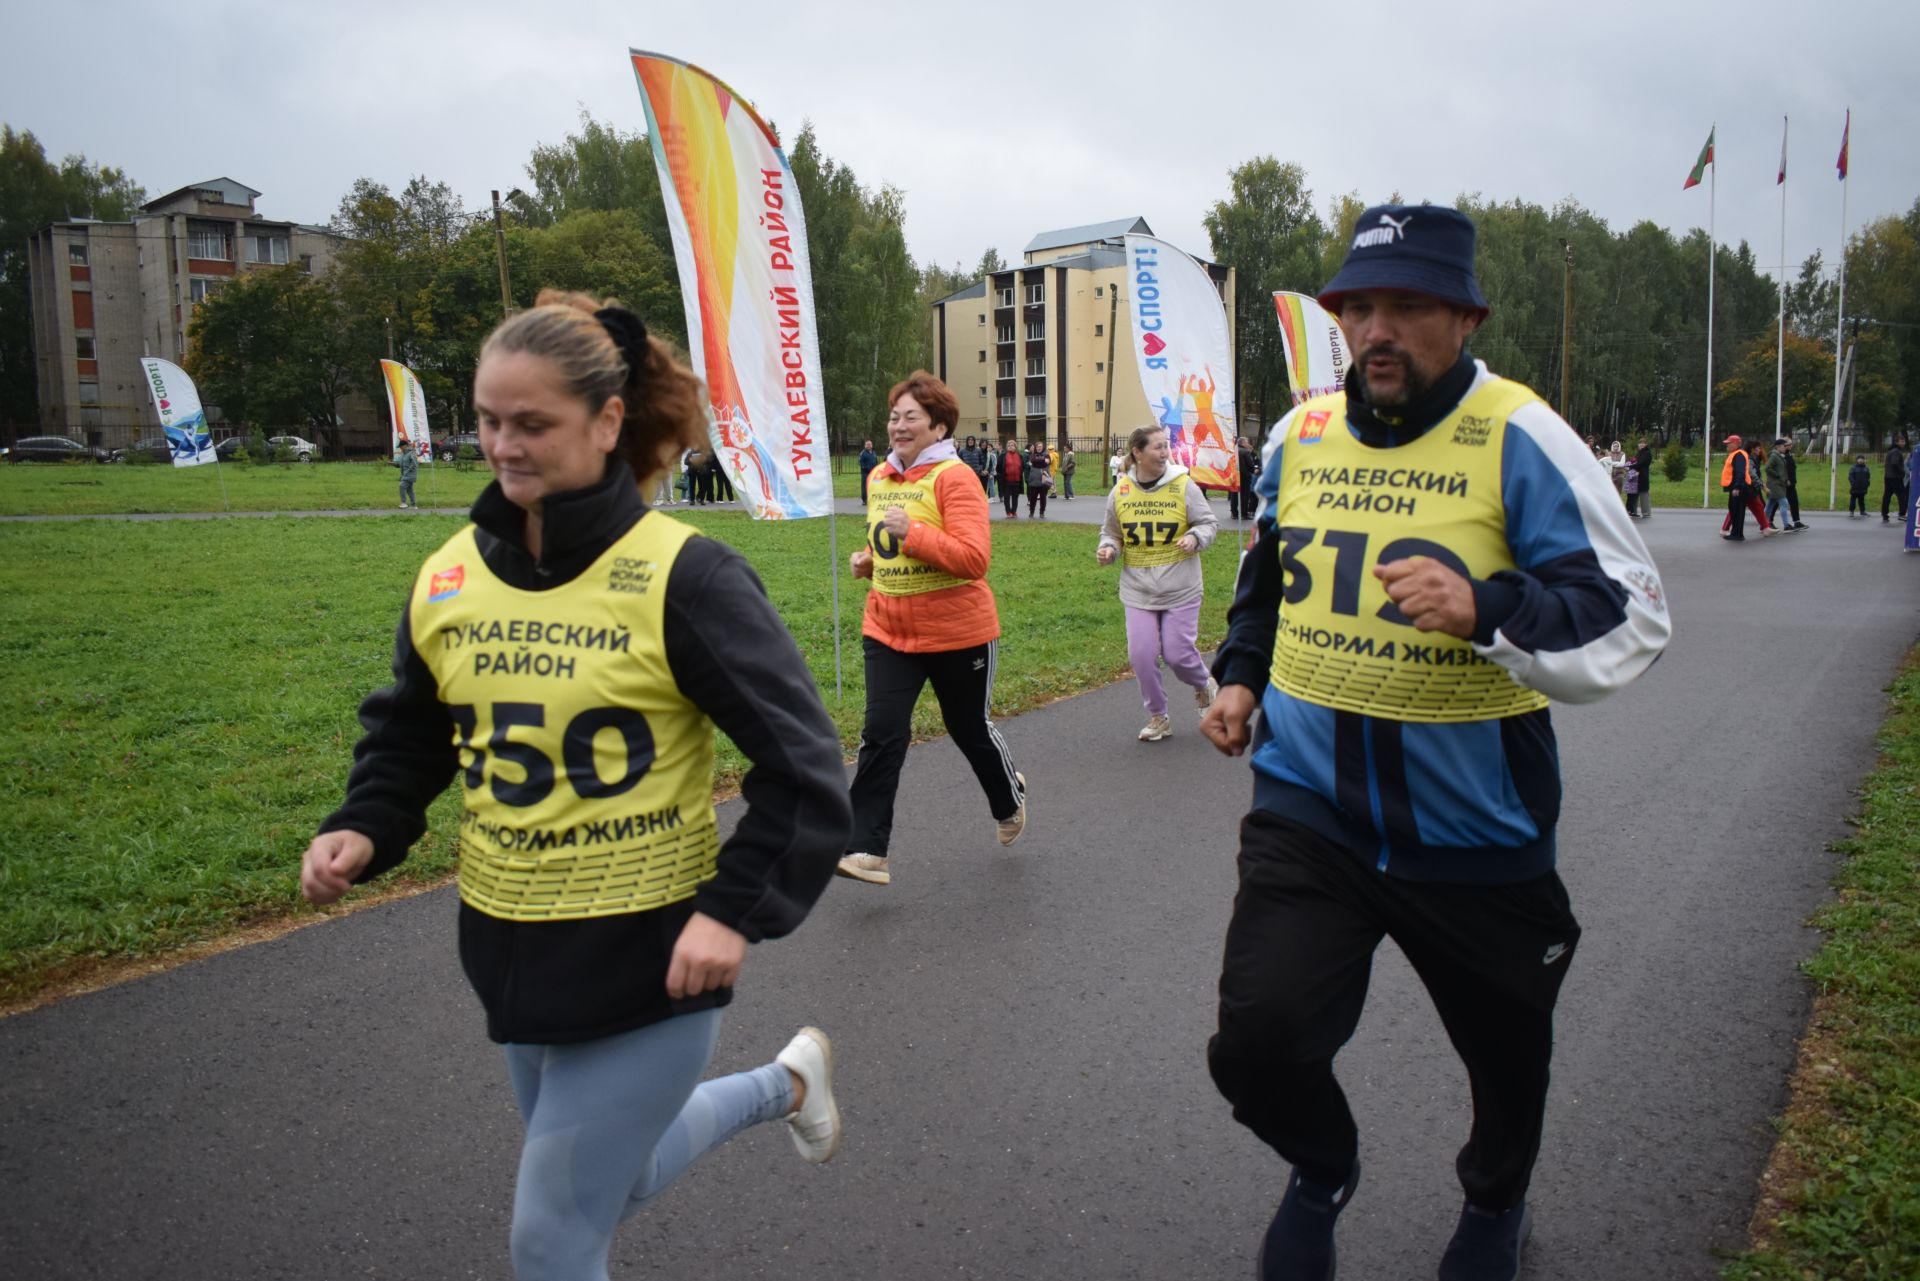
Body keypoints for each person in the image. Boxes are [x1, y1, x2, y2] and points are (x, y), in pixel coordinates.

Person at [300, 291, 853, 1281]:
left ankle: (776, 1078)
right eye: (488, 420)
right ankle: (787, 1085)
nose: (504, 447)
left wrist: (735, 912)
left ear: (607, 423)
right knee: (623, 1177)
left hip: (653, 959)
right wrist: (366, 825)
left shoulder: (689, 577)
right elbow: (415, 731)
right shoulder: (448, 575)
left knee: (554, 1239)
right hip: (509, 946)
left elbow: (804, 767)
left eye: (534, 424)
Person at [1198, 204, 1669, 1281]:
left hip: (1475, 829)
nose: (1377, 330)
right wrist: (1240, 676)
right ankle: (1322, 1166)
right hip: (1309, 811)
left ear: (1463, 318)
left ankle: (1495, 1205)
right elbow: (1269, 577)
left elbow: (1631, 610)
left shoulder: (1521, 433)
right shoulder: (1300, 436)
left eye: (1407, 307)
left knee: (1506, 1061)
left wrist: (1491, 610)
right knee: (1256, 1045)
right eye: (1357, 307)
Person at [838, 372, 1027, 886]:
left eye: (910, 418)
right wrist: (868, 563)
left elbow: (973, 558)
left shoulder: (955, 477)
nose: (898, 426)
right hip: (888, 628)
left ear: (938, 426)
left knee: (967, 729)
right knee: (881, 733)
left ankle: (1009, 798)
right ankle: (866, 850)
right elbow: (890, 547)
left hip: (957, 633)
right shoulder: (880, 476)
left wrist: (913, 532)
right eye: (894, 417)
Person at [1097, 425, 1219, 741]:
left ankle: (1203, 684)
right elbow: (1111, 531)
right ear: (1137, 452)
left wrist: (1194, 537)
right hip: (1138, 589)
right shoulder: (1121, 491)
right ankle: (1158, 716)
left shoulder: (1183, 486)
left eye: (1167, 447)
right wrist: (1109, 548)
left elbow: (1207, 522)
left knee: (1178, 655)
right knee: (1141, 655)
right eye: (1158, 447)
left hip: (1181, 587)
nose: (1165, 453)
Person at [1721, 434, 1756, 541]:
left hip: (1739, 488)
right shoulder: (1735, 454)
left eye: (1728, 443)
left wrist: (1737, 487)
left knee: (1737, 511)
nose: (1726, 445)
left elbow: (1740, 472)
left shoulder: (1739, 455)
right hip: (1737, 487)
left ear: (1735, 444)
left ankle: (1737, 534)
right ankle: (1736, 533)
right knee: (1734, 510)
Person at [1764, 440, 1798, 533]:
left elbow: (1782, 470)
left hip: (1779, 484)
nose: (1785, 447)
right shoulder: (1774, 456)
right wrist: (1778, 476)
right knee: (1784, 503)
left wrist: (1785, 479)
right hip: (1775, 485)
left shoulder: (1780, 456)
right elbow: (1767, 468)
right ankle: (1786, 526)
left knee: (1770, 504)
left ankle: (1763, 524)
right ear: (1777, 447)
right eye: (1783, 446)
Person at [1778, 436, 1807, 529]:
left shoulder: (1788, 454)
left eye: (1791, 444)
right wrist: (1787, 479)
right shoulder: (1782, 456)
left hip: (1791, 482)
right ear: (1784, 446)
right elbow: (1783, 469)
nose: (1791, 446)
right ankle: (1768, 521)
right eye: (1789, 444)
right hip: (1786, 483)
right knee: (1776, 503)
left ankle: (1797, 521)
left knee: (1794, 502)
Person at [1231, 435, 1261, 521]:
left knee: (1234, 494)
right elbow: (1250, 464)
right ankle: (1244, 513)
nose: (1247, 443)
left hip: (1234, 475)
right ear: (1243, 443)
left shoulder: (1233, 450)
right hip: (1244, 476)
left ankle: (1234, 513)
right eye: (1246, 442)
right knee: (1244, 495)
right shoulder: (1245, 452)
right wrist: (1254, 469)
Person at [1884, 434, 1911, 525]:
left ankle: (1885, 514)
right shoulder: (1897, 452)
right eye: (1902, 441)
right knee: (1902, 495)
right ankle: (1902, 514)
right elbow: (1894, 463)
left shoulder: (1891, 451)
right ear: (1897, 442)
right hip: (1895, 477)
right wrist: (1902, 472)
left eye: (1904, 441)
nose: (1904, 443)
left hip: (1888, 477)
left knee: (1887, 496)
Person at [1025, 441, 1053, 519]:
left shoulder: (1047, 455)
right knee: (1033, 498)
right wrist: (1043, 460)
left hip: (1044, 480)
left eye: (1040, 446)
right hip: (1034, 479)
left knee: (1043, 497)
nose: (1039, 448)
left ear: (1043, 447)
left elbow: (1048, 462)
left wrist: (1039, 460)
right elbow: (1033, 461)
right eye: (1037, 446)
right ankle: (1031, 512)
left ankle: (1042, 512)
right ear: (1035, 448)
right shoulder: (1032, 455)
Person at [1632, 438, 1654, 519]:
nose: (1641, 444)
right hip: (1636, 475)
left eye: (1643, 443)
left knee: (1644, 493)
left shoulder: (1647, 453)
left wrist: (1630, 466)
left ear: (1646, 444)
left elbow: (1641, 463)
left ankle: (1646, 512)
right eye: (1640, 443)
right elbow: (1635, 461)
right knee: (1634, 494)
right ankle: (1633, 511)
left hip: (1643, 475)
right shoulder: (1639, 453)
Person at [397, 440, 419, 510]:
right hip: (405, 475)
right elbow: (402, 464)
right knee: (410, 490)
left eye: (401, 447)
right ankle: (414, 505)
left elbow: (414, 464)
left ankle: (403, 502)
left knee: (402, 486)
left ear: (405, 446)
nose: (400, 448)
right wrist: (394, 464)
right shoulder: (403, 454)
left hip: (410, 475)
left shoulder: (411, 453)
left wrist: (407, 471)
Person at [858, 438, 879, 505]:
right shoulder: (863, 453)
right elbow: (861, 463)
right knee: (865, 486)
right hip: (866, 473)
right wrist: (867, 468)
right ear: (865, 445)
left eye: (870, 444)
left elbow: (876, 461)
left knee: (874, 485)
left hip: (874, 473)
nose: (869, 445)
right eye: (867, 444)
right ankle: (865, 500)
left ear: (872, 445)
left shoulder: (873, 452)